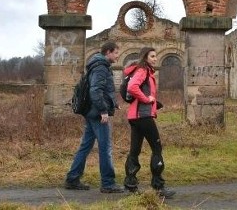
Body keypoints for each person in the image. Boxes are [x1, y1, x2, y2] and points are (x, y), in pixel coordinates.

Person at [65, 41, 125, 193]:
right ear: (108, 52)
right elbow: (95, 91)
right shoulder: (100, 68)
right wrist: (104, 111)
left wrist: (113, 104)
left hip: (91, 112)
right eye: (116, 53)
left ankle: (73, 178)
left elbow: (102, 91)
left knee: (85, 146)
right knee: (105, 148)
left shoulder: (97, 65)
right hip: (98, 114)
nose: (118, 56)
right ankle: (108, 183)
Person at [123, 47, 176, 198]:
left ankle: (130, 185)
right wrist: (147, 100)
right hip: (143, 117)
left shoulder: (142, 71)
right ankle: (158, 187)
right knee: (157, 148)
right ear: (145, 57)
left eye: (155, 56)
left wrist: (154, 103)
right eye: (152, 56)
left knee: (134, 151)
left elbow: (139, 90)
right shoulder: (143, 70)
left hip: (135, 116)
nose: (155, 58)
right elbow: (132, 88)